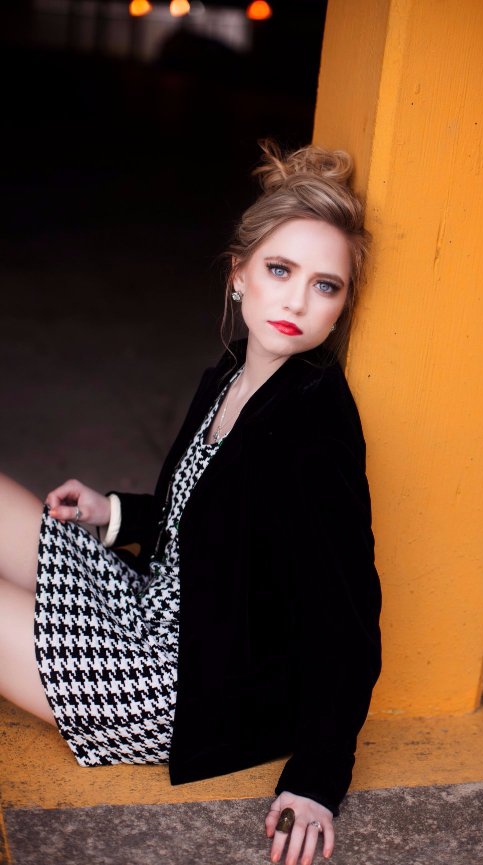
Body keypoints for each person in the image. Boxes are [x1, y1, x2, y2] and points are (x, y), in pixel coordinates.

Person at [0, 141, 382, 865]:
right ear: (239, 274)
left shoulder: (317, 425)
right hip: (154, 606)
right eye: (280, 270)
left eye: (326, 286)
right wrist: (112, 513)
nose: (297, 301)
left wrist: (318, 779)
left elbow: (348, 619)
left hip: (183, 683)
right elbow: (209, 517)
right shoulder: (231, 374)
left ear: (341, 307)